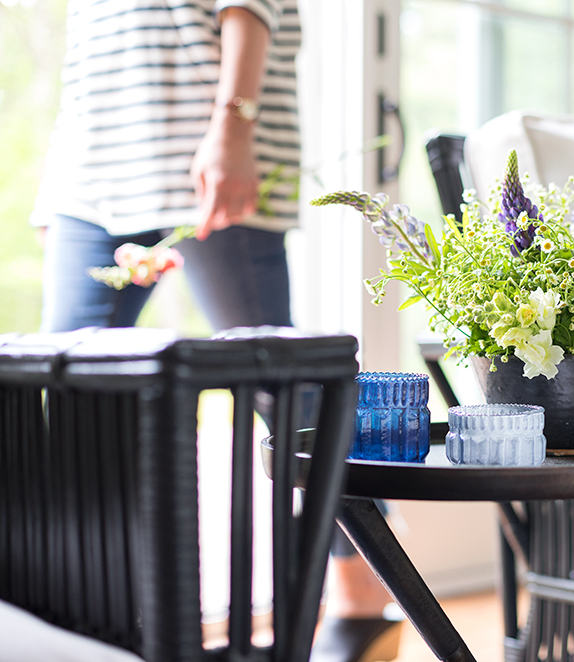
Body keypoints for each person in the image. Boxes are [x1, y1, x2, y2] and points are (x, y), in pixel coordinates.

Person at [33, 2, 401, 661]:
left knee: (286, 392)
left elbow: (247, 8)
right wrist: (55, 183)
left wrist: (234, 125)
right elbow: (88, 54)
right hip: (92, 180)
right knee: (71, 402)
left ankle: (363, 601)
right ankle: (97, 621)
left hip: (209, 153)